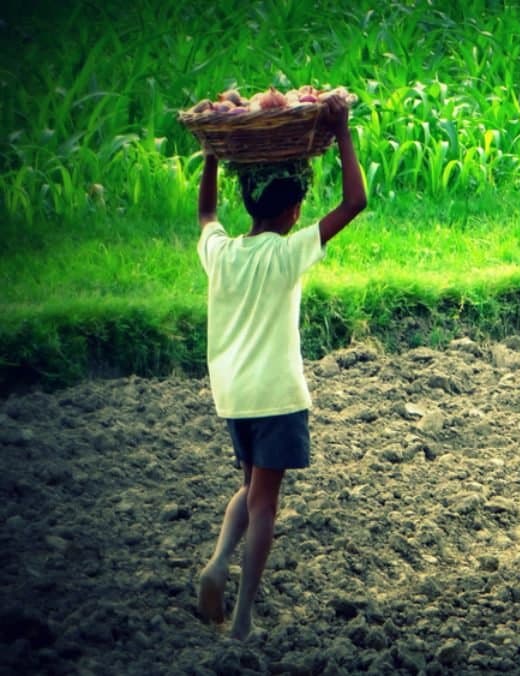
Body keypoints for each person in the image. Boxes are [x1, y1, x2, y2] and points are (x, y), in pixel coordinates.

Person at [194, 95, 367, 640]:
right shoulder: (289, 252)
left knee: (249, 488)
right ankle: (243, 616)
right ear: (293, 212)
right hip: (277, 394)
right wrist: (343, 133)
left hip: (234, 395)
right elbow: (356, 202)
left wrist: (213, 152)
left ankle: (219, 561)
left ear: (250, 204)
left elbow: (206, 215)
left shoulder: (220, 252)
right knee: (265, 502)